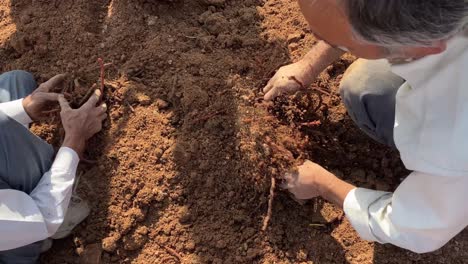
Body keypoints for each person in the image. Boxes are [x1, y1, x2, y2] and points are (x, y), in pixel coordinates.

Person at [265, 0, 468, 254]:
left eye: (342, 44)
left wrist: (321, 183)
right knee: (367, 88)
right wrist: (309, 65)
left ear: (418, 44)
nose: (316, 37)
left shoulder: (454, 136)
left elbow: (412, 228)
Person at [0, 70, 107, 263]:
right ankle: (61, 215)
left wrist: (25, 108)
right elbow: (41, 216)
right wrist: (75, 139)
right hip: (17, 237)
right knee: (3, 130)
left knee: (14, 81)